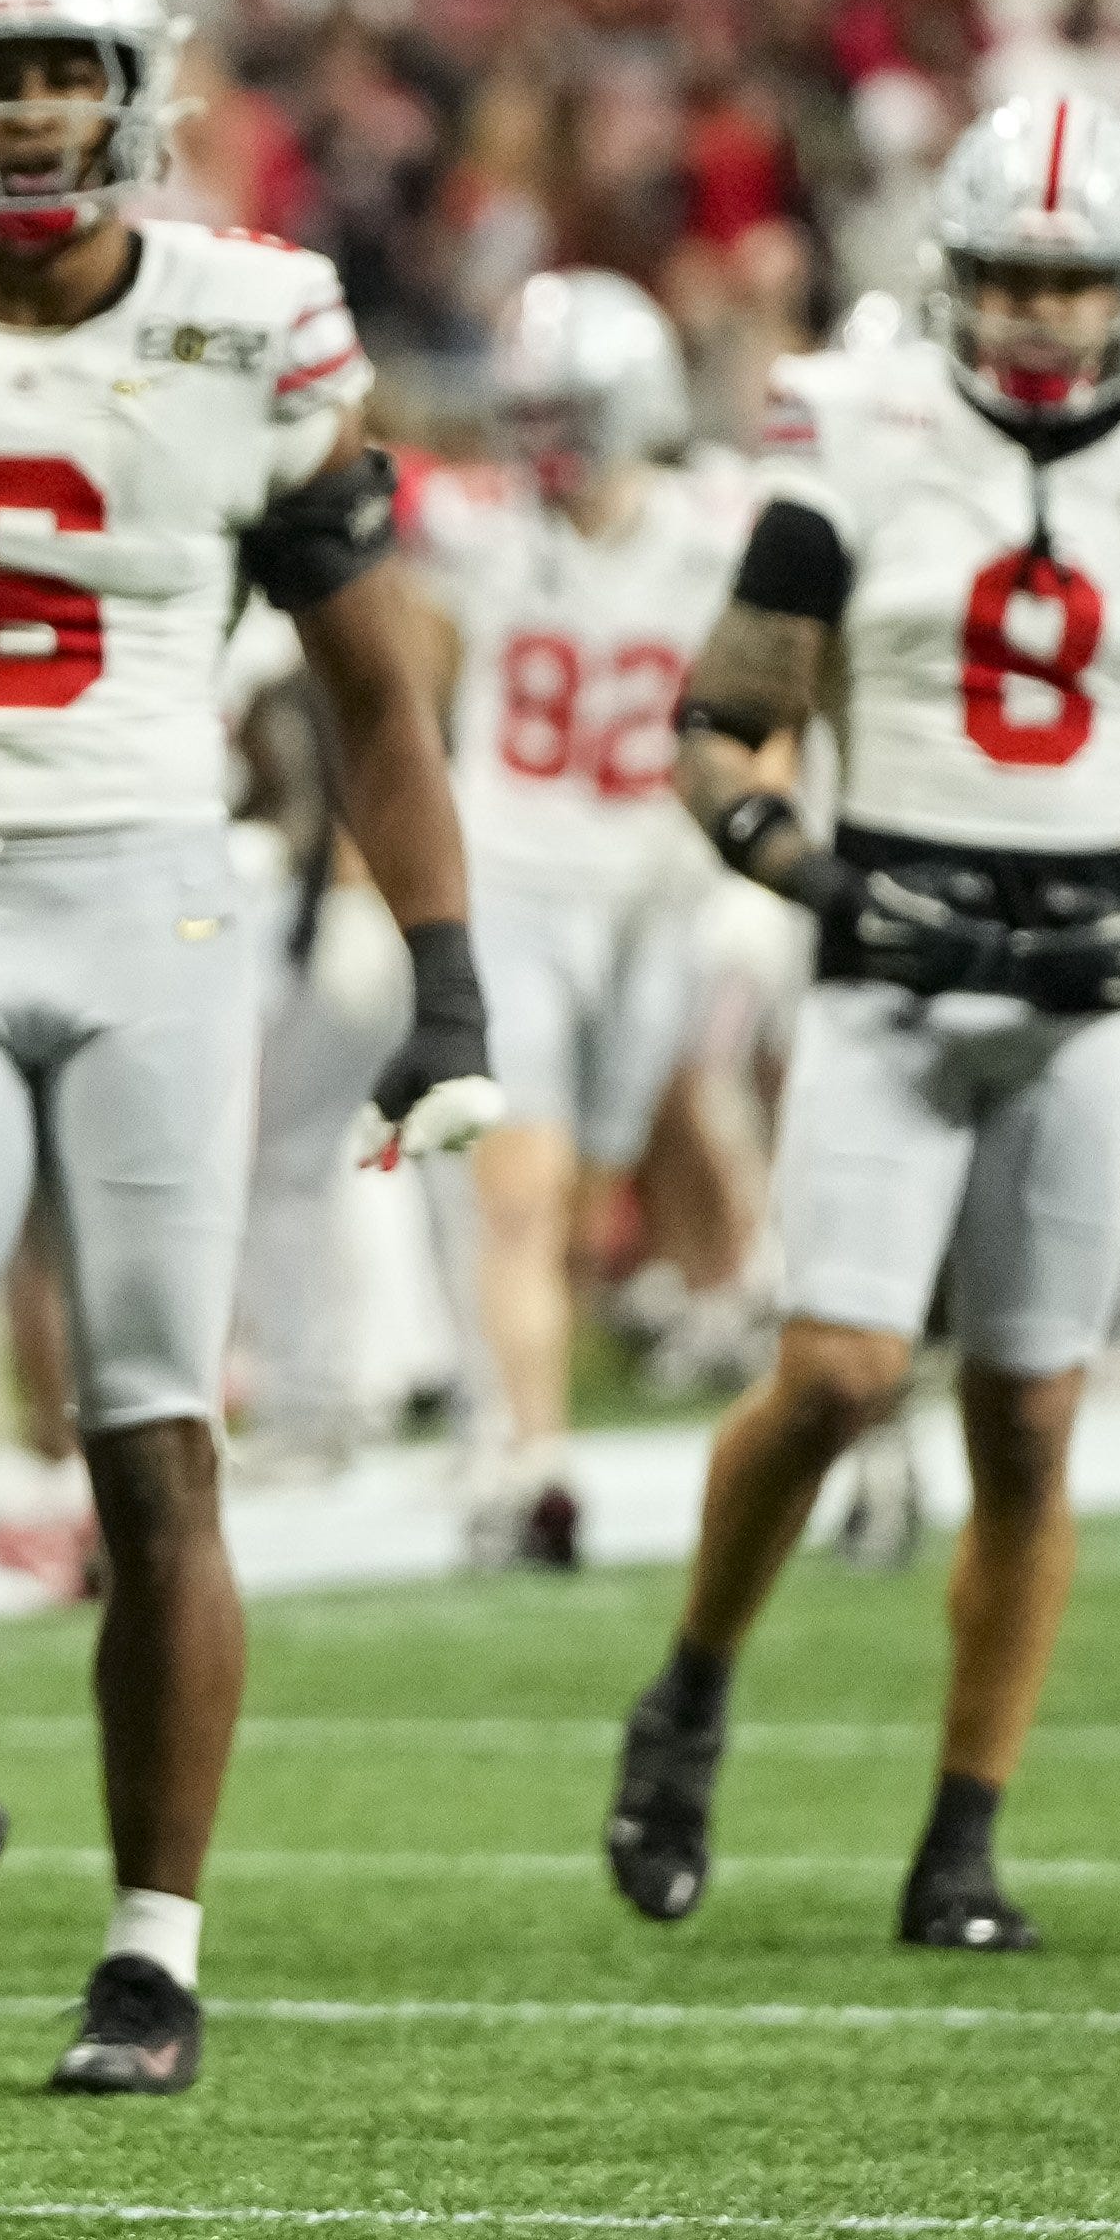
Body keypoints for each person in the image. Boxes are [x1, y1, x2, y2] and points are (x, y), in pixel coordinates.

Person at [0, 0, 498, 2097]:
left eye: (67, 70)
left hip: (158, 902)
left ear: (137, 89)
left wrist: (444, 979)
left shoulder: (256, 320)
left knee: (155, 1444)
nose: (35, 111)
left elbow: (377, 696)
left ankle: (154, 1945)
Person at [613, 94, 1120, 1953]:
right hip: (893, 965)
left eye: (1082, 285)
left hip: (1077, 983)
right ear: (955, 281)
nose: (1052, 320)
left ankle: (961, 1841)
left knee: (1030, 1420)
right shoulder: (861, 437)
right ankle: (688, 1692)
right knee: (835, 1378)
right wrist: (827, 888)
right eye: (1016, 280)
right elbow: (717, 729)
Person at [409, 268, 755, 1569]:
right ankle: (533, 1451)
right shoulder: (478, 527)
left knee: (598, 1189)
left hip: (658, 890)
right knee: (524, 1188)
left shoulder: (717, 524)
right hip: (516, 884)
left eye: (572, 411)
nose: (545, 441)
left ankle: (522, 1403)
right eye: (529, 411)